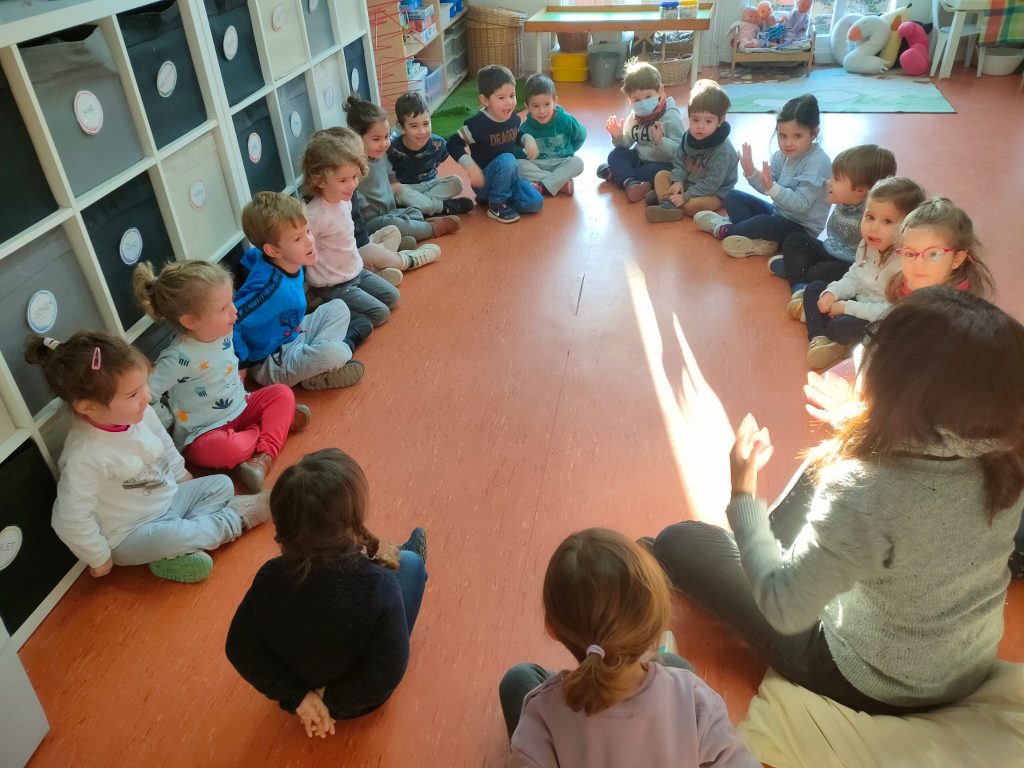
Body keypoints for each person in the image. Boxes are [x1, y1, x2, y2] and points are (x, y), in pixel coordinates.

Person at [652, 287, 1024, 714]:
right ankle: (768, 557)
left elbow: (785, 609)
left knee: (679, 541)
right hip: (963, 666)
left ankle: (758, 556)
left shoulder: (865, 490)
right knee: (824, 465)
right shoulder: (1007, 462)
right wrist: (866, 419)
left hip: (865, 680)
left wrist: (743, 495)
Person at [498, 528, 757, 767]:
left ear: (551, 628)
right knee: (675, 664)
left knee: (518, 678)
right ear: (656, 619)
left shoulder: (541, 715)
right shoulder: (693, 699)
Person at [26, 332, 270, 584]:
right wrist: (98, 556)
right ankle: (236, 519)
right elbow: (69, 517)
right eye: (132, 394)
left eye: (144, 384)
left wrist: (179, 472)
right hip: (131, 533)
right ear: (88, 407)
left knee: (221, 484)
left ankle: (178, 551)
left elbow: (163, 441)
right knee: (170, 538)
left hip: (168, 500)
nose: (147, 396)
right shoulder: (85, 456)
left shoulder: (138, 413)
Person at [225, 448, 428, 737]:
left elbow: (238, 647)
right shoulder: (379, 585)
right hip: (360, 702)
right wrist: (328, 699)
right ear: (351, 524)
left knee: (388, 582)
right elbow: (389, 669)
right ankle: (404, 558)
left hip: (300, 688)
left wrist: (299, 696)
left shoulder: (268, 577)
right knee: (411, 565)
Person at [134, 260, 308, 492]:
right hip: (203, 433)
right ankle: (271, 430)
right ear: (191, 321)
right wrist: (168, 422)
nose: (234, 311)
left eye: (231, 302)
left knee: (282, 393)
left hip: (241, 406)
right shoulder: (177, 358)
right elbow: (147, 394)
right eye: (223, 308)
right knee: (232, 449)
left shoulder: (225, 329)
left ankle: (262, 457)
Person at [233, 191, 370, 391]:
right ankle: (330, 359)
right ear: (273, 250)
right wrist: (242, 362)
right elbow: (232, 320)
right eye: (297, 238)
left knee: (339, 308)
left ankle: (317, 367)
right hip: (272, 360)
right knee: (334, 353)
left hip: (295, 333)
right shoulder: (268, 289)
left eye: (307, 231)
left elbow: (252, 257)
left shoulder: (287, 261)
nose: (309, 241)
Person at [802, 176, 925, 369]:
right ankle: (819, 338)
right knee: (814, 289)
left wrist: (846, 307)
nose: (873, 228)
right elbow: (854, 277)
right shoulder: (868, 244)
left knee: (842, 326)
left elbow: (889, 311)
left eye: (887, 221)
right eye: (870, 217)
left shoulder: (905, 264)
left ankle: (825, 328)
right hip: (858, 302)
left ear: (908, 227)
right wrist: (833, 292)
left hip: (877, 319)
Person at [694, 93, 830, 259]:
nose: (788, 143)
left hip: (801, 231)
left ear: (814, 133)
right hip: (778, 214)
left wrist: (772, 187)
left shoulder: (818, 162)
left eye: (797, 136)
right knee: (733, 197)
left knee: (763, 223)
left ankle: (726, 230)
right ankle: (759, 241)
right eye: (782, 135)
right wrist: (751, 172)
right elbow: (768, 188)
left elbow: (801, 204)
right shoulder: (782, 155)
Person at [773, 144, 897, 320]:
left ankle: (796, 269)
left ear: (860, 190)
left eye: (836, 179)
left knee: (817, 273)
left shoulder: (869, 216)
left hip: (848, 264)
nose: (828, 182)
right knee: (795, 240)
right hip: (829, 249)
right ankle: (799, 286)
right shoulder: (844, 200)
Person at [314, 126, 441, 280]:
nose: (361, 167)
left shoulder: (348, 189)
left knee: (392, 231)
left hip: (363, 243)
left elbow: (359, 227)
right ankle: (408, 260)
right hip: (351, 258)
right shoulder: (324, 206)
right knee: (375, 250)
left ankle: (381, 267)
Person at [301, 131, 400, 329]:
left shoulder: (344, 200)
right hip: (332, 284)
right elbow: (302, 249)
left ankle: (351, 300)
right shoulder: (315, 215)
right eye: (343, 180)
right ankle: (326, 309)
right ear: (320, 181)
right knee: (380, 314)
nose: (353, 185)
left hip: (355, 270)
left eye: (354, 177)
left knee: (393, 297)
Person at [345, 95, 461, 240]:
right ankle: (431, 229)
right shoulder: (355, 166)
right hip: (372, 220)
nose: (384, 143)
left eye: (386, 137)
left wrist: (395, 185)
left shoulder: (381, 154)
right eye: (376, 139)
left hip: (392, 210)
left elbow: (389, 172)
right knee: (395, 224)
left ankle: (403, 237)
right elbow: (353, 197)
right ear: (356, 138)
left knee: (415, 213)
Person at [447, 64, 544, 224]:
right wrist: (470, 166)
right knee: (508, 159)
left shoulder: (513, 119)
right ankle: (497, 204)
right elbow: (453, 144)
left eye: (512, 95)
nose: (509, 102)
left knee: (536, 202)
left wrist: (527, 139)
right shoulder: (476, 125)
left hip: (509, 178)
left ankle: (492, 198)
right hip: (483, 181)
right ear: (485, 100)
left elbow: (515, 133)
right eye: (501, 98)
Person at [645, 78, 739, 223]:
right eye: (695, 120)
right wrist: (677, 180)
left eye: (708, 121)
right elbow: (679, 161)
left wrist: (685, 196)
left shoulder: (723, 150)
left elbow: (712, 184)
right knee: (661, 175)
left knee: (694, 206)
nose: (700, 126)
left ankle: (666, 201)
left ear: (720, 121)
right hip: (690, 183)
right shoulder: (688, 136)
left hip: (714, 192)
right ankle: (668, 203)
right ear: (689, 117)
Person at [597, 60, 685, 203]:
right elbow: (627, 143)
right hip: (640, 157)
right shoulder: (635, 116)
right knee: (615, 155)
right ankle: (632, 182)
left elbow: (680, 151)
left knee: (654, 172)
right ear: (629, 100)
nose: (643, 103)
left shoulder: (670, 115)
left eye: (648, 97)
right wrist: (618, 136)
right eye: (637, 99)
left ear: (660, 91)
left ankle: (619, 176)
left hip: (663, 163)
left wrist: (661, 142)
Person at [885, 196, 995, 301]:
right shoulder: (901, 284)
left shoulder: (959, 309)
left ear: (957, 259)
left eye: (933, 254)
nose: (918, 265)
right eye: (910, 254)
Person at [387, 91, 474, 216]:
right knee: (397, 192)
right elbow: (389, 176)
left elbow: (439, 160)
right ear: (401, 127)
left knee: (457, 183)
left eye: (426, 124)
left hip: (431, 185)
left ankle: (420, 206)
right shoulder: (393, 148)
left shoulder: (438, 143)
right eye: (414, 126)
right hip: (407, 188)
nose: (422, 131)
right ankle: (442, 207)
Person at [516, 73, 587, 197]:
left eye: (547, 104)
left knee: (578, 163)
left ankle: (545, 185)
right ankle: (560, 184)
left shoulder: (566, 120)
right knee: (516, 165)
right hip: (538, 164)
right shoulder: (525, 128)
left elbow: (581, 135)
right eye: (535, 106)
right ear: (527, 107)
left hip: (562, 162)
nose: (542, 111)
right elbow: (519, 150)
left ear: (555, 102)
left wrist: (571, 149)